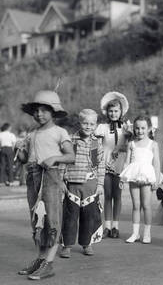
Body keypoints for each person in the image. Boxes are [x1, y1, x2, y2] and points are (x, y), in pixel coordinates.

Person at [15, 90, 75, 280]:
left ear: (53, 112)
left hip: (51, 176)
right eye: (36, 110)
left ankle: (48, 263)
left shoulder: (60, 132)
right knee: (37, 220)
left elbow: (71, 156)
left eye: (44, 110)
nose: (39, 114)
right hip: (33, 177)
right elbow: (25, 159)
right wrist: (20, 150)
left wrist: (55, 158)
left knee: (52, 221)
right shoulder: (31, 133)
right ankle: (40, 259)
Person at [59, 109, 105, 258]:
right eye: (85, 123)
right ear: (79, 123)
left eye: (92, 124)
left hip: (90, 185)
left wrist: (100, 185)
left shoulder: (97, 143)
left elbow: (101, 165)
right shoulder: (71, 141)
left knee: (89, 216)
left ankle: (87, 243)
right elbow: (63, 162)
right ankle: (67, 245)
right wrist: (61, 180)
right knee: (70, 217)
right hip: (72, 185)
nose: (88, 126)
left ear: (96, 125)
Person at [95, 92, 131, 239]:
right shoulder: (102, 127)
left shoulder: (126, 128)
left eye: (116, 111)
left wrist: (123, 144)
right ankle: (107, 226)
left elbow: (131, 145)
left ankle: (116, 226)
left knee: (118, 196)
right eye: (111, 111)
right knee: (107, 196)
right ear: (106, 112)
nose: (113, 113)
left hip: (120, 165)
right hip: (105, 164)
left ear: (121, 111)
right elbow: (96, 145)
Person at [120, 115, 161, 244]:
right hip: (134, 176)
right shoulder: (131, 144)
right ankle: (135, 233)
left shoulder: (153, 144)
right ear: (134, 129)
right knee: (136, 205)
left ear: (149, 128)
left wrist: (157, 180)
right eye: (137, 128)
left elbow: (157, 163)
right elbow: (127, 162)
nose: (140, 131)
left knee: (146, 205)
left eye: (143, 128)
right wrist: (122, 178)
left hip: (147, 176)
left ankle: (147, 233)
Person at [0, 122, 16, 187]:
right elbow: (14, 144)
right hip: (9, 149)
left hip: (2, 149)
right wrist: (12, 150)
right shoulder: (11, 135)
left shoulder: (0, 134)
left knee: (2, 165)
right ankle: (11, 181)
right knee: (10, 166)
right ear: (8, 128)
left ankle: (0, 182)